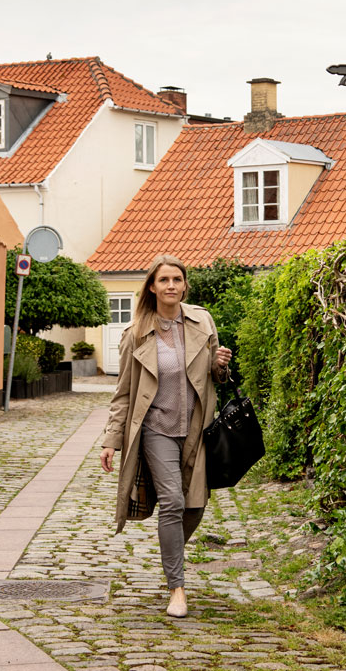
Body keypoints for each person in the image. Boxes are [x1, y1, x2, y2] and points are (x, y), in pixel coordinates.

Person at [99, 254, 233, 618]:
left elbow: (215, 379)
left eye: (177, 279)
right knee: (172, 501)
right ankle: (177, 587)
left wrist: (219, 366)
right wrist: (112, 439)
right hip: (156, 429)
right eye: (164, 280)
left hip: (196, 427)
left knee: (196, 505)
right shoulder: (136, 333)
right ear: (152, 287)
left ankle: (169, 549)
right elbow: (124, 392)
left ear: (185, 284)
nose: (171, 285)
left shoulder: (202, 321)